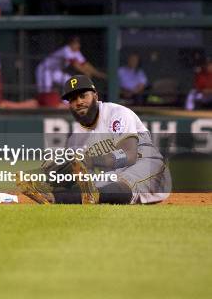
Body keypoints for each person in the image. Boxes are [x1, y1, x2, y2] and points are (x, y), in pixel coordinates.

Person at [19, 75, 171, 205]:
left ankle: (87, 195)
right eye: (72, 99)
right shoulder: (75, 139)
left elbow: (130, 155)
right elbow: (76, 174)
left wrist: (91, 161)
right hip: (115, 177)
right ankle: (53, 199)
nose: (78, 102)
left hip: (147, 165)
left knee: (120, 182)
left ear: (96, 96)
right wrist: (43, 176)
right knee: (92, 187)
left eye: (83, 95)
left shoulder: (116, 113)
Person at [35, 36, 106, 107]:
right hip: (45, 69)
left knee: (68, 81)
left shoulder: (76, 52)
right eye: (76, 43)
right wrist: (85, 72)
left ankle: (65, 103)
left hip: (55, 71)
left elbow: (85, 64)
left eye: (78, 43)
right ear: (71, 44)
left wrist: (98, 74)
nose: (78, 45)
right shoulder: (66, 50)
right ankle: (41, 107)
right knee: (46, 89)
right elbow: (75, 64)